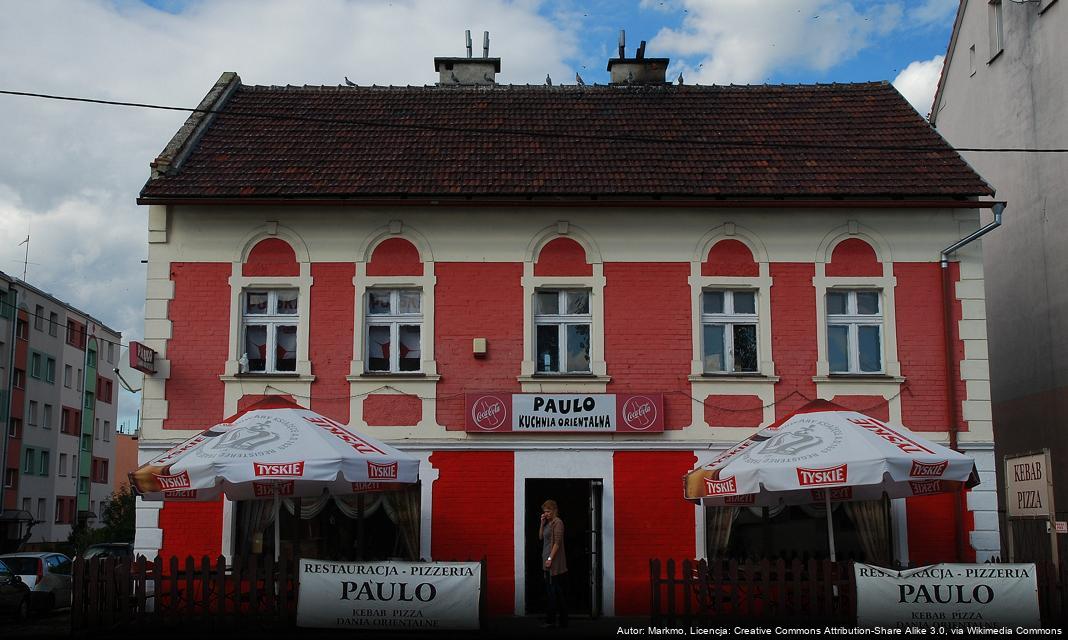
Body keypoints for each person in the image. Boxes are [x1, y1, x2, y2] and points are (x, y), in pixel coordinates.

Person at [538, 499, 568, 628]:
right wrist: (542, 523)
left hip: (553, 562)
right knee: (554, 590)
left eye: (549, 511)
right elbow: (540, 537)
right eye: (545, 511)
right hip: (546, 560)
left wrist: (550, 559)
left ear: (555, 510)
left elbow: (557, 543)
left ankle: (552, 620)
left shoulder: (558, 523)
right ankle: (561, 620)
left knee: (553, 591)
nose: (547, 513)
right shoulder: (548, 523)